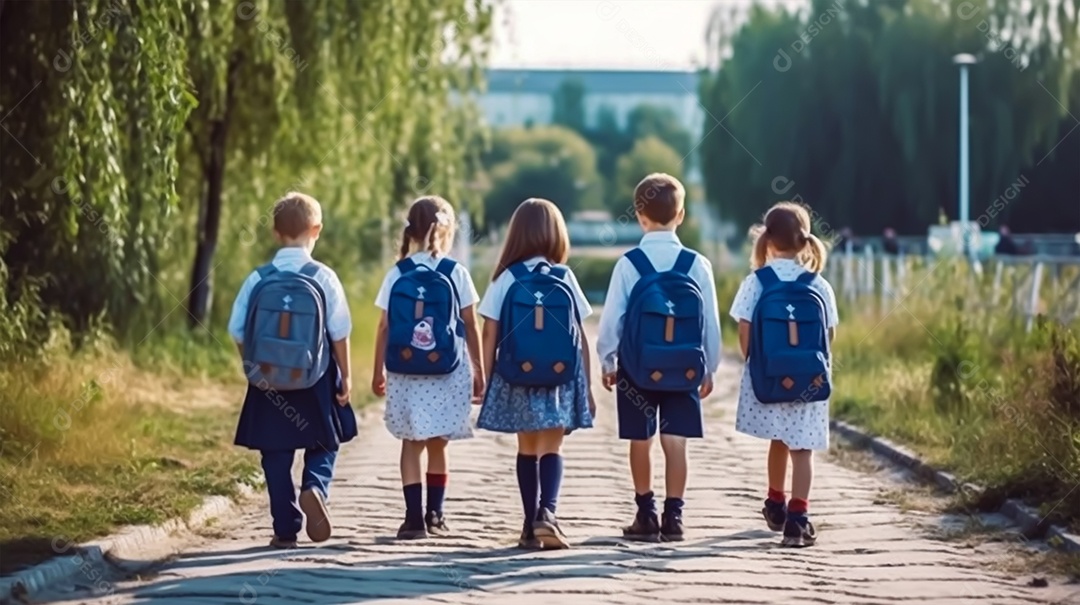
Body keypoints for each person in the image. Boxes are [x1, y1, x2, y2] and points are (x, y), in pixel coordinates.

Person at [596, 173, 722, 542]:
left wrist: (608, 359)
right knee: (676, 441)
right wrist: (709, 367)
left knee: (641, 439)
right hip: (683, 367)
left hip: (637, 366)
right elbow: (709, 322)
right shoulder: (697, 265)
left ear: (639, 215)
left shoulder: (629, 263)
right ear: (681, 215)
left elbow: (614, 317)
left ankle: (645, 514)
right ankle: (675, 517)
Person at [228, 192, 357, 549]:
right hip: (314, 377)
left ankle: (285, 527)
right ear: (316, 230)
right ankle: (315, 486)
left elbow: (236, 329)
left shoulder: (258, 278)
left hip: (268, 378)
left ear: (274, 233)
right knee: (325, 441)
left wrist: (251, 365)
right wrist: (346, 376)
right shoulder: (323, 277)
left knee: (275, 452)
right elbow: (340, 331)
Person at [476, 198, 596, 550]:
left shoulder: (505, 277)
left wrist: (483, 375)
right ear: (556, 235)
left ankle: (530, 524)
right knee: (552, 446)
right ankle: (549, 513)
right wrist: (585, 384)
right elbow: (578, 333)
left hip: (517, 374)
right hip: (560, 377)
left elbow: (489, 332)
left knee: (526, 447)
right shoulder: (564, 276)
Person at [372, 195, 484, 540]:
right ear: (447, 232)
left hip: (404, 370)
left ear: (411, 230)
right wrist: (478, 368)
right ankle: (435, 515)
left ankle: (412, 519)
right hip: (447, 369)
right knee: (438, 443)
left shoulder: (398, 272)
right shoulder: (456, 272)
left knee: (411, 442)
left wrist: (377, 371)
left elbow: (384, 326)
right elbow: (470, 323)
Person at [728, 201, 839, 548]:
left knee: (778, 439)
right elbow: (829, 334)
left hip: (770, 375)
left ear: (767, 239)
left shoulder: (756, 281)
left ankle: (775, 502)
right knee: (802, 449)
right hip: (809, 380)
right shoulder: (819, 284)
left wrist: (754, 363)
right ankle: (798, 517)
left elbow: (744, 329)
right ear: (804, 240)